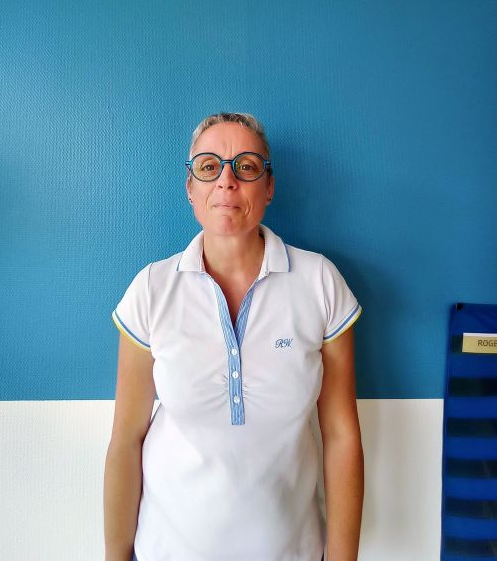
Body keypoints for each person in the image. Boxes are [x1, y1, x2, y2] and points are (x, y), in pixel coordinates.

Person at [103, 112, 364, 561]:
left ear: (269, 186)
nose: (227, 181)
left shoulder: (320, 282)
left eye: (246, 166)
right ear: (190, 188)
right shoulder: (152, 289)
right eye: (209, 167)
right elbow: (127, 440)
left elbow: (341, 436)